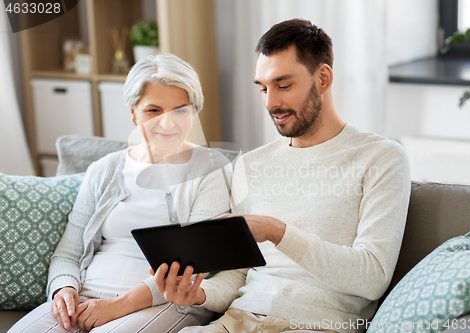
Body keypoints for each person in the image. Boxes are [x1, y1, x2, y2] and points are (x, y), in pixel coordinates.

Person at [151, 19, 412, 333]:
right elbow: (240, 276)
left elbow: (371, 278)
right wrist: (200, 294)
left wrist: (275, 230)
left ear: (324, 78)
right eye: (263, 87)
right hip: (236, 321)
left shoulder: (380, 158)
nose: (270, 102)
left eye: (283, 85)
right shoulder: (252, 164)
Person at [9, 53, 232, 333]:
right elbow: (68, 252)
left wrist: (118, 306)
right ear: (133, 112)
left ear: (194, 112)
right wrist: (63, 290)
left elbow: (195, 263)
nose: (168, 123)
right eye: (153, 110)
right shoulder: (103, 169)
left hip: (164, 303)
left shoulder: (212, 168)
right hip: (86, 296)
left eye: (181, 110)